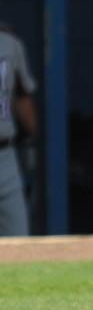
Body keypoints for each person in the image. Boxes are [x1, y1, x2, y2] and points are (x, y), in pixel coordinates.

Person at [0, 22, 37, 237]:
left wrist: (40, 142)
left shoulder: (10, 44)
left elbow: (23, 100)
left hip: (5, 156)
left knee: (18, 241)